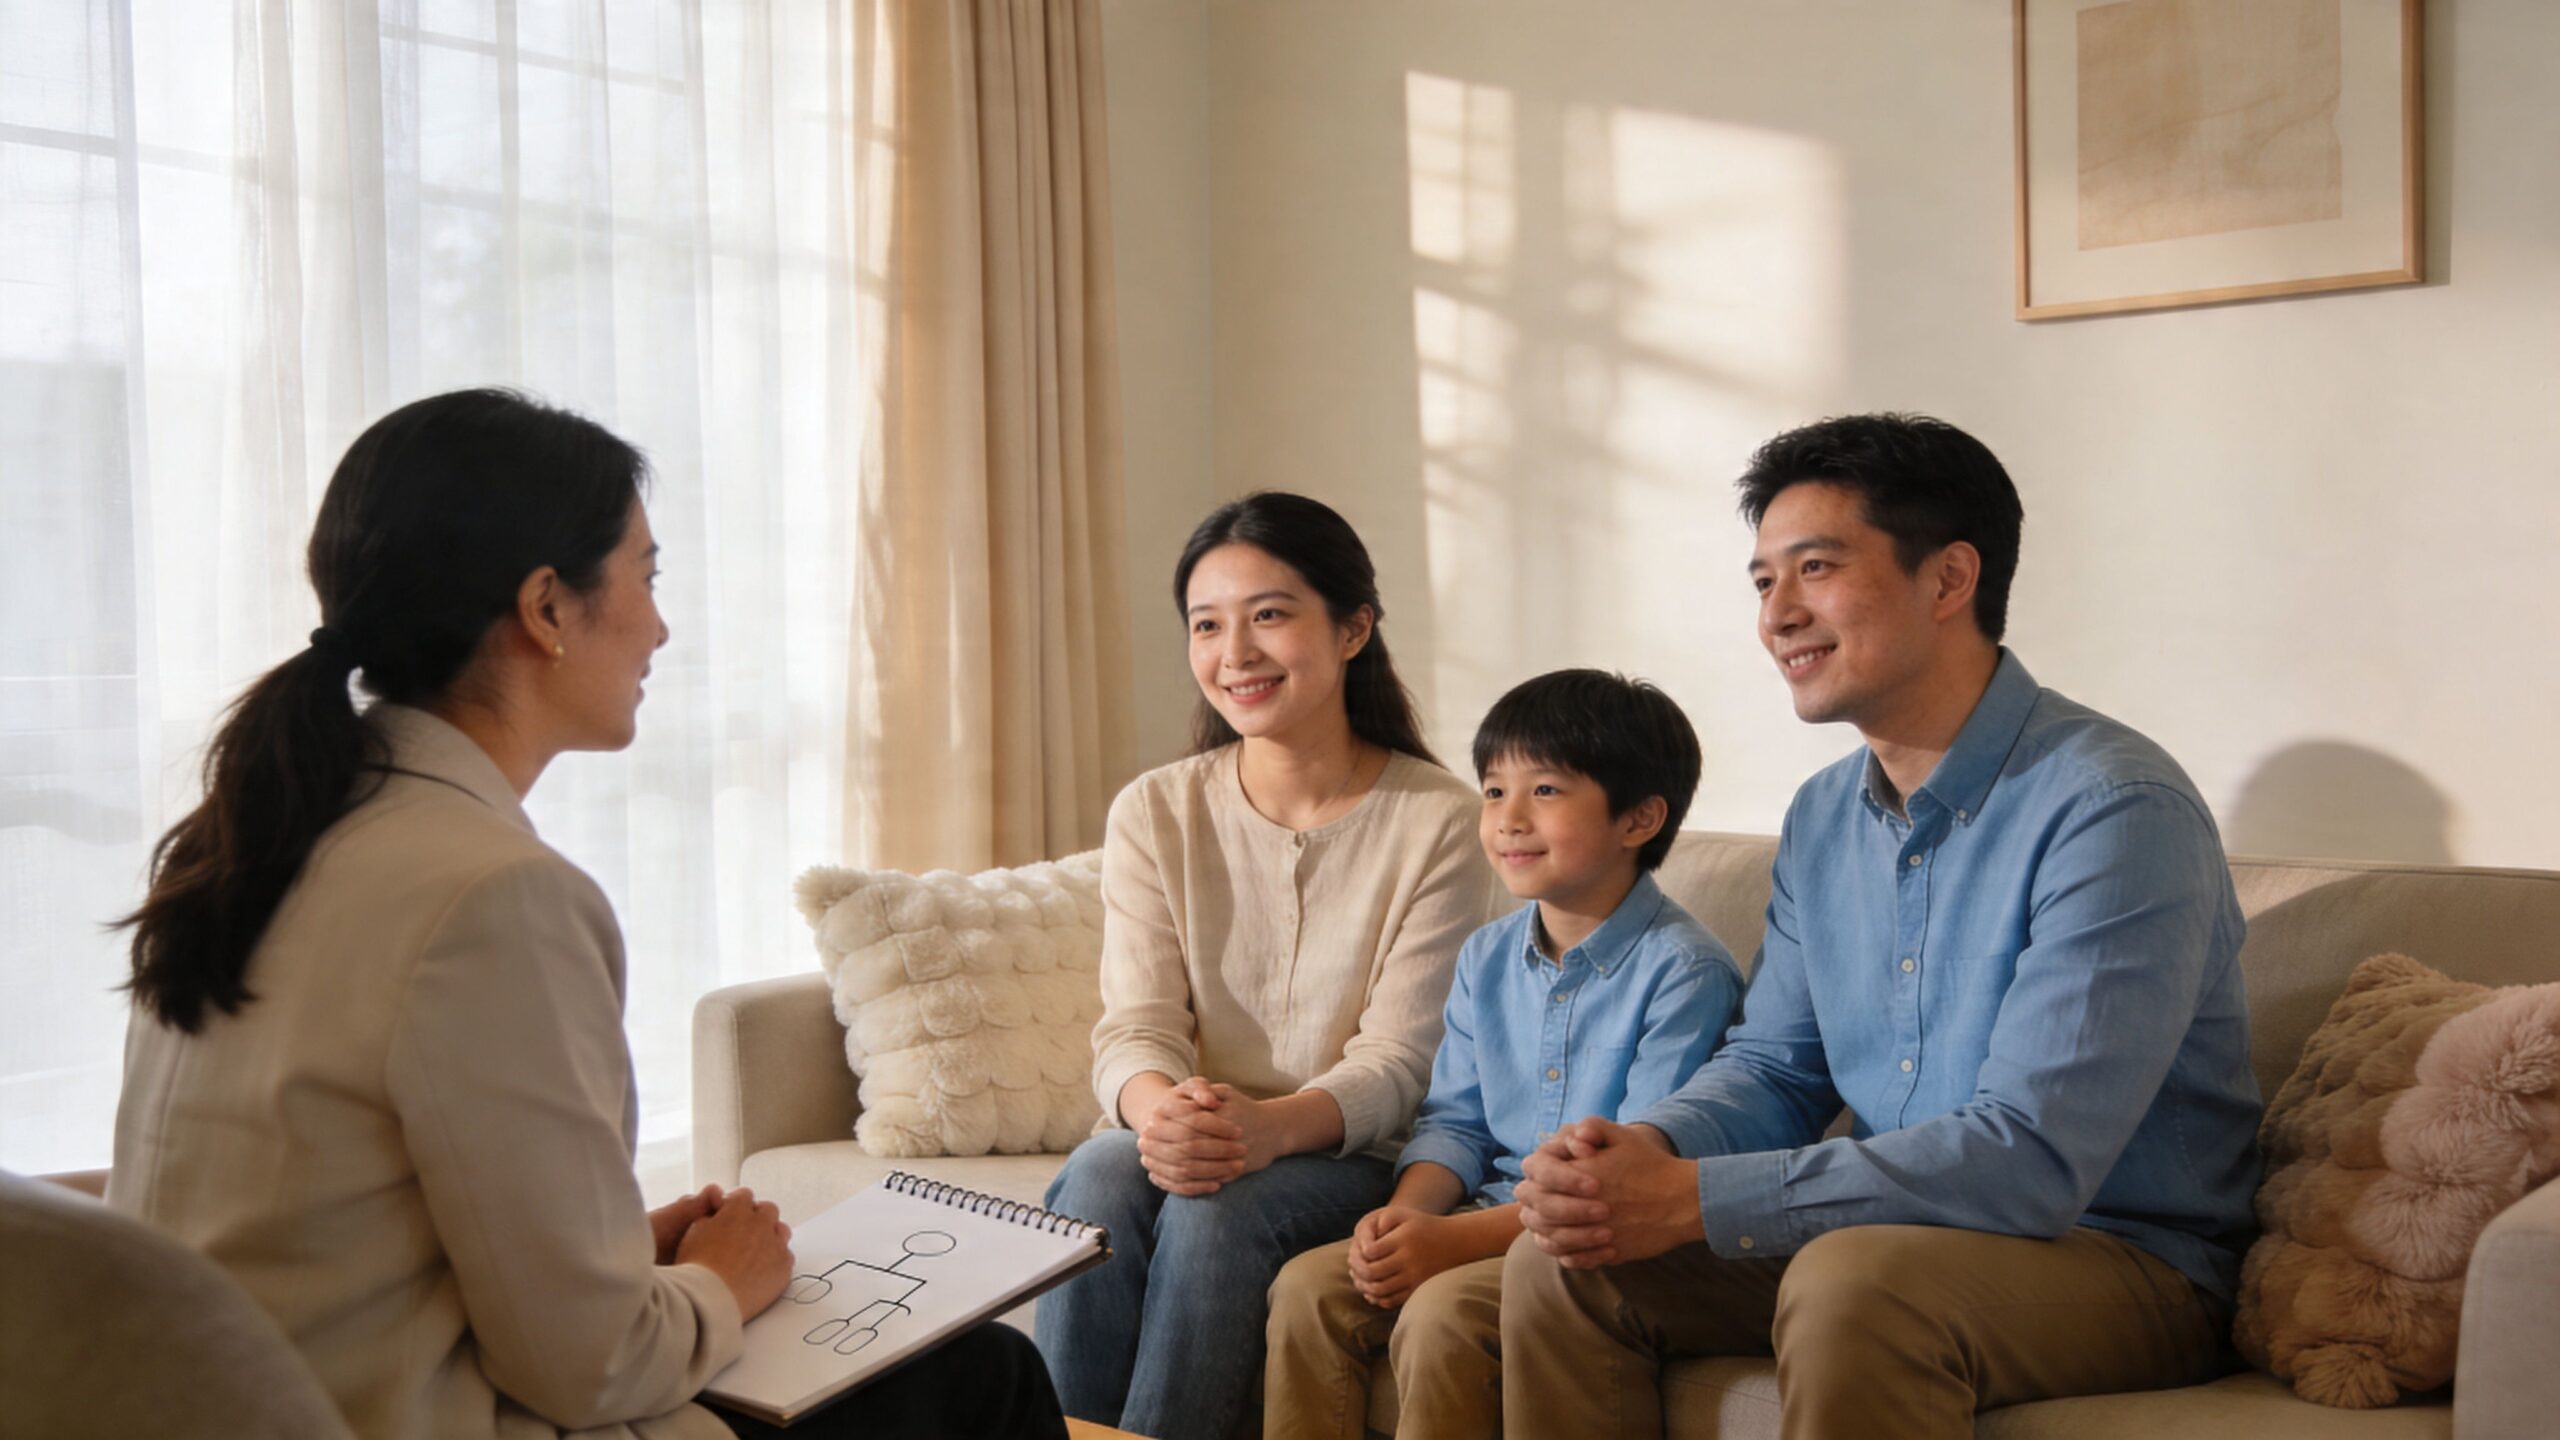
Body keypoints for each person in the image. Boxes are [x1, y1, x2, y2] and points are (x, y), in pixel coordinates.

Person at [108, 389, 1065, 1440]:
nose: (660, 627)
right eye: (646, 579)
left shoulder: (261, 839)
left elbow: (343, 1227)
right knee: (982, 1375)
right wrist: (720, 1283)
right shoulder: (492, 894)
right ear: (546, 608)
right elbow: (596, 1369)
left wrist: (616, 1252)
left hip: (242, 1408)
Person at [1505, 413, 2263, 1439]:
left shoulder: (2112, 807)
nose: (1778, 615)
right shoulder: (1824, 815)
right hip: (1887, 1236)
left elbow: (2032, 1157)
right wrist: (1642, 1151)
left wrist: (1694, 1198)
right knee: (1560, 1263)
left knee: (1854, 1285)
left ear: (1948, 579)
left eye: (1815, 568)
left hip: (2123, 1257)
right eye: (1763, 581)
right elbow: (1776, 1069)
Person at [1032, 492, 1499, 1440]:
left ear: (1353, 629)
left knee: (1220, 1210)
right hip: (1198, 1136)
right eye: (1207, 625)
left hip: (1352, 1158)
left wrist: (1269, 1130)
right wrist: (1166, 1117)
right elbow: (1136, 1028)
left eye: (1269, 615)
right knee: (1101, 1170)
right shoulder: (1154, 810)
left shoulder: (1443, 819)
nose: (1234, 653)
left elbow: (1401, 1062)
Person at [1264, 668, 1743, 1440]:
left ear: (1639, 818)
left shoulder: (1686, 973)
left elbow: (1622, 1184)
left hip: (1590, 1248)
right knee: (1306, 1288)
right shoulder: (1487, 956)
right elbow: (1454, 1124)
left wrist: (1450, 1243)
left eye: (1545, 790)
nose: (1509, 819)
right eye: (1493, 791)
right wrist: (1404, 1220)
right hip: (1481, 1213)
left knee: (1443, 1314)